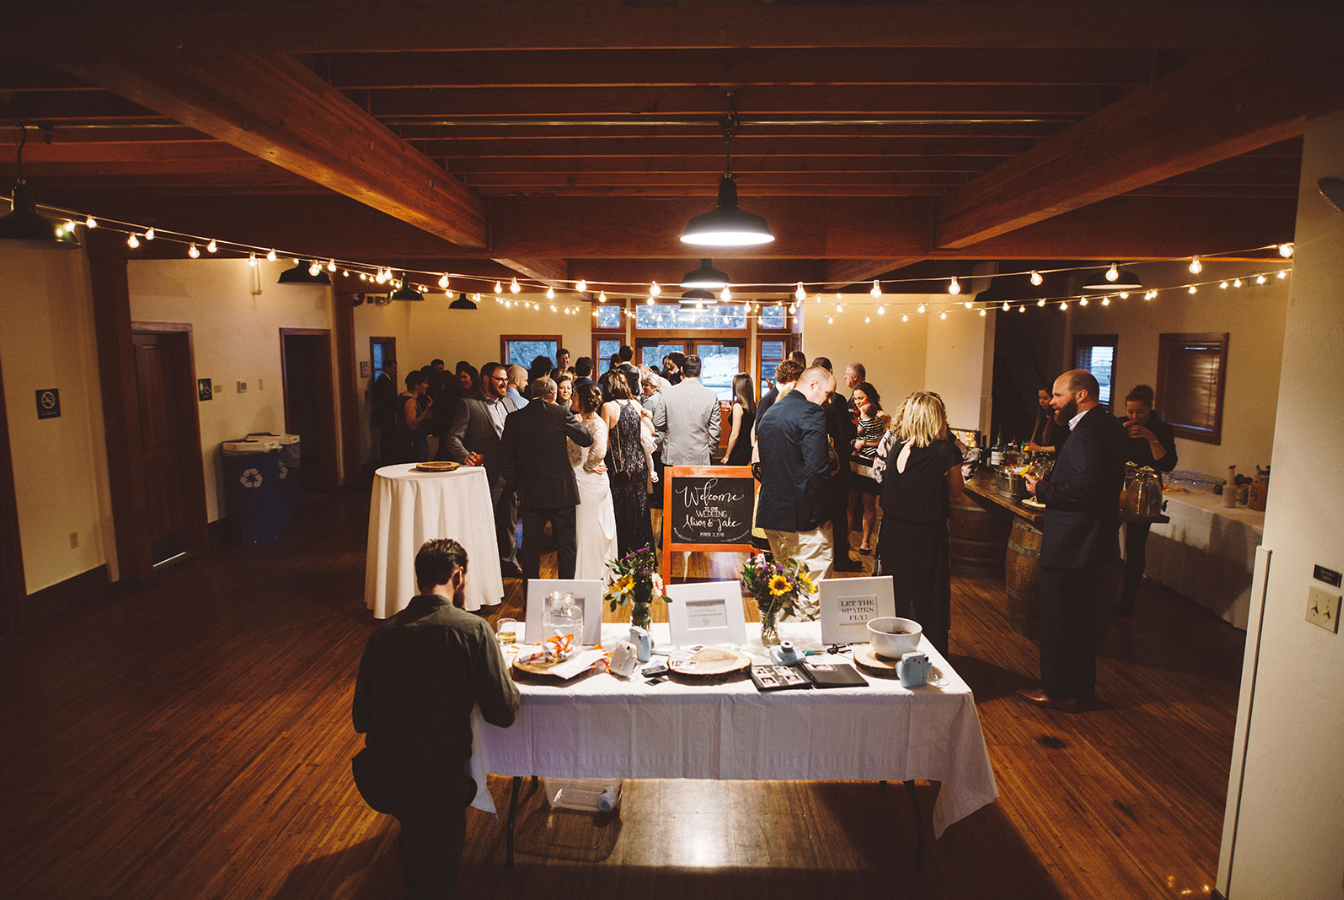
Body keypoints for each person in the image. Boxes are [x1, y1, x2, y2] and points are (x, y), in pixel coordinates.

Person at [351, 538, 520, 900]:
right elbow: (503, 712)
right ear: (458, 576)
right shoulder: (473, 631)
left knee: (417, 858)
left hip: (384, 778)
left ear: (419, 578)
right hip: (440, 782)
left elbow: (360, 719)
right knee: (435, 882)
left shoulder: (380, 637)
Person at [1020, 369, 1128, 712]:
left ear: (1081, 395)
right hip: (1094, 542)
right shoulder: (1108, 425)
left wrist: (1042, 488)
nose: (1051, 402)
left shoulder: (1085, 433)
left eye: (1058, 395)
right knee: (1082, 622)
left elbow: (1083, 488)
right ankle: (1082, 689)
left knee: (1059, 620)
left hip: (1072, 542)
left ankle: (1057, 690)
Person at [872, 391, 964, 656]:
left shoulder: (898, 446)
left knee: (894, 594)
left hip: (892, 531)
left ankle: (889, 649)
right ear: (937, 418)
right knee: (928, 597)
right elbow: (956, 491)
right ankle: (927, 655)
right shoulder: (945, 452)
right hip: (926, 535)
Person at [754, 364, 837, 619]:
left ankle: (783, 648)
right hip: (804, 518)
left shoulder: (771, 411)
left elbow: (763, 465)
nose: (829, 400)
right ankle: (805, 653)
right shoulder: (811, 413)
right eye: (828, 393)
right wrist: (824, 515)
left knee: (784, 588)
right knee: (810, 593)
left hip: (773, 512)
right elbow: (817, 471)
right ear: (813, 385)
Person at [497, 376, 595, 581]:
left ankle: (531, 599)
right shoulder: (560, 413)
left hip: (530, 492)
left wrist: (518, 486)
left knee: (531, 550)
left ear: (532, 394)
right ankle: (567, 594)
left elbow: (505, 458)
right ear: (553, 395)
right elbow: (586, 439)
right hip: (562, 491)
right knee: (566, 548)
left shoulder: (514, 418)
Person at [443, 363, 520, 576]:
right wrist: (463, 455)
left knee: (509, 522)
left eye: (506, 379)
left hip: (510, 472)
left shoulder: (510, 403)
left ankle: (509, 563)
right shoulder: (468, 404)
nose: (505, 383)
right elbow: (453, 437)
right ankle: (479, 569)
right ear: (486, 379)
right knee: (481, 523)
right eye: (499, 379)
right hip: (485, 474)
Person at [1116, 383, 1178, 616]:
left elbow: (1167, 464)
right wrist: (1118, 433)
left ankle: (1127, 600)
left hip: (1145, 492)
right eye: (1130, 411)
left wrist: (1150, 437)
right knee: (1106, 541)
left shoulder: (1162, 429)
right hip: (1118, 489)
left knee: (1135, 546)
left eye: (1139, 412)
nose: (1134, 416)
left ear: (1149, 409)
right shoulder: (1120, 424)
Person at [813, 357, 860, 571]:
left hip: (819, 463)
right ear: (830, 372)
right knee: (839, 514)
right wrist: (855, 427)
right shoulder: (838, 400)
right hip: (838, 463)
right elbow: (844, 433)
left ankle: (821, 556)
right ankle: (840, 558)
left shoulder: (811, 400)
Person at [600, 370, 654, 555]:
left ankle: (623, 552)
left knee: (621, 508)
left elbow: (604, 442)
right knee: (640, 507)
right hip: (639, 462)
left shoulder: (608, 407)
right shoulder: (636, 404)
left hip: (621, 466)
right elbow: (651, 431)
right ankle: (641, 552)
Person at [569, 383, 618, 580]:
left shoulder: (597, 423)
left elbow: (599, 451)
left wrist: (588, 466)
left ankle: (589, 573)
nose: (572, 398)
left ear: (583, 400)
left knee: (588, 528)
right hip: (576, 477)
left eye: (575, 395)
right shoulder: (576, 420)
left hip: (589, 481)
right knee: (579, 529)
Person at [849, 382, 890, 557]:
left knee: (868, 505)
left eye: (861, 398)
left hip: (870, 463)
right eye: (856, 398)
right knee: (849, 503)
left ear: (870, 397)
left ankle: (865, 541)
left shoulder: (881, 416)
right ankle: (846, 538)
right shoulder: (854, 414)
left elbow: (886, 441)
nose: (858, 401)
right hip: (854, 461)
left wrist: (864, 443)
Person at [657, 355, 722, 466]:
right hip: (701, 454)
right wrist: (710, 451)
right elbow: (715, 430)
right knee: (699, 484)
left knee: (672, 484)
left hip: (673, 454)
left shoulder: (667, 393)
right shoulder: (711, 396)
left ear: (682, 370)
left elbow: (658, 422)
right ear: (700, 371)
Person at [639, 366, 668, 509]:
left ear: (655, 387)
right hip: (662, 439)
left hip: (654, 438)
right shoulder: (659, 397)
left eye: (647, 385)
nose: (644, 387)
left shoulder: (650, 401)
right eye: (643, 384)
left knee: (655, 470)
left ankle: (658, 499)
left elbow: (645, 422)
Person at [754, 358, 803, 442]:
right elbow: (759, 429)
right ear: (788, 377)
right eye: (797, 378)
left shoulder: (792, 396)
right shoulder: (767, 400)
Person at [396, 370, 433, 463]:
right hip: (412, 444)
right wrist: (428, 410)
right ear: (416, 384)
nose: (427, 386)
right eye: (424, 383)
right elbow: (412, 425)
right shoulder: (410, 401)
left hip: (402, 441)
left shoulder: (401, 397)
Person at [723, 373, 756, 466]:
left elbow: (735, 434)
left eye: (733, 383)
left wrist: (727, 456)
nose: (731, 386)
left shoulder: (738, 407)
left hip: (737, 449)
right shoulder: (751, 405)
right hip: (746, 447)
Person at [371, 359, 398, 465]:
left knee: (387, 439)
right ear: (387, 368)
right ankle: (387, 461)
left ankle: (388, 460)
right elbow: (385, 401)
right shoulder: (383, 381)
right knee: (386, 440)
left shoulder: (385, 380)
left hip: (386, 415)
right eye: (394, 368)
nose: (395, 371)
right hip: (386, 416)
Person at [1027, 386, 1067, 454]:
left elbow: (1062, 446)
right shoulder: (1041, 417)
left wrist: (1040, 449)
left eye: (1045, 398)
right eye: (1040, 398)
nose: (1041, 401)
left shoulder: (1060, 420)